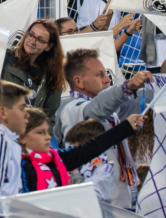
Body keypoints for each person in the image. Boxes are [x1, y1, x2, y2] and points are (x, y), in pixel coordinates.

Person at [53, 48, 154, 208]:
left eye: (106, 74)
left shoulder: (110, 107)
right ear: (78, 81)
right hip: (96, 203)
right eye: (99, 75)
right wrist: (127, 86)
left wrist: (164, 83)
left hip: (121, 197)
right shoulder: (71, 109)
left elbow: (143, 99)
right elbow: (96, 109)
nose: (107, 80)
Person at [20, 108, 144, 193]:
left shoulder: (55, 159)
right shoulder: (12, 164)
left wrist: (126, 126)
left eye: (47, 131)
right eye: (41, 132)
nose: (48, 137)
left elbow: (92, 147)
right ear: (22, 137)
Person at [0, 18, 66, 120]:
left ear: (49, 46)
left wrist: (36, 133)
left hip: (30, 132)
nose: (32, 41)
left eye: (40, 40)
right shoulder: (5, 58)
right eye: (31, 35)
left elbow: (50, 117)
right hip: (1, 126)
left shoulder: (52, 73)